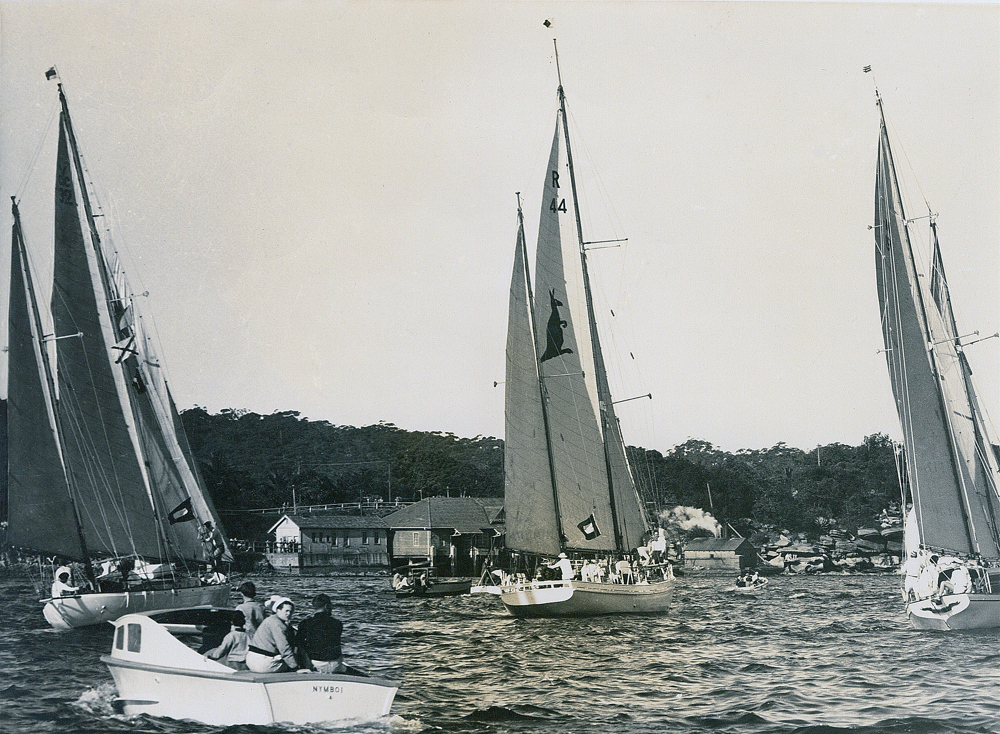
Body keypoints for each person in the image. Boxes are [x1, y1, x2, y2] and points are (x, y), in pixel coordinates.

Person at [246, 597, 301, 673]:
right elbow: (284, 648)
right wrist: (296, 668)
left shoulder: (270, 620)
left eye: (290, 611)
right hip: (263, 664)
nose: (288, 614)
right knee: (295, 662)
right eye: (286, 611)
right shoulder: (277, 624)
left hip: (250, 660)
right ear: (278, 610)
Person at [296, 593, 346, 674]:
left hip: (316, 664)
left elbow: (299, 646)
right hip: (335, 665)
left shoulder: (305, 623)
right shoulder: (338, 623)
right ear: (327, 606)